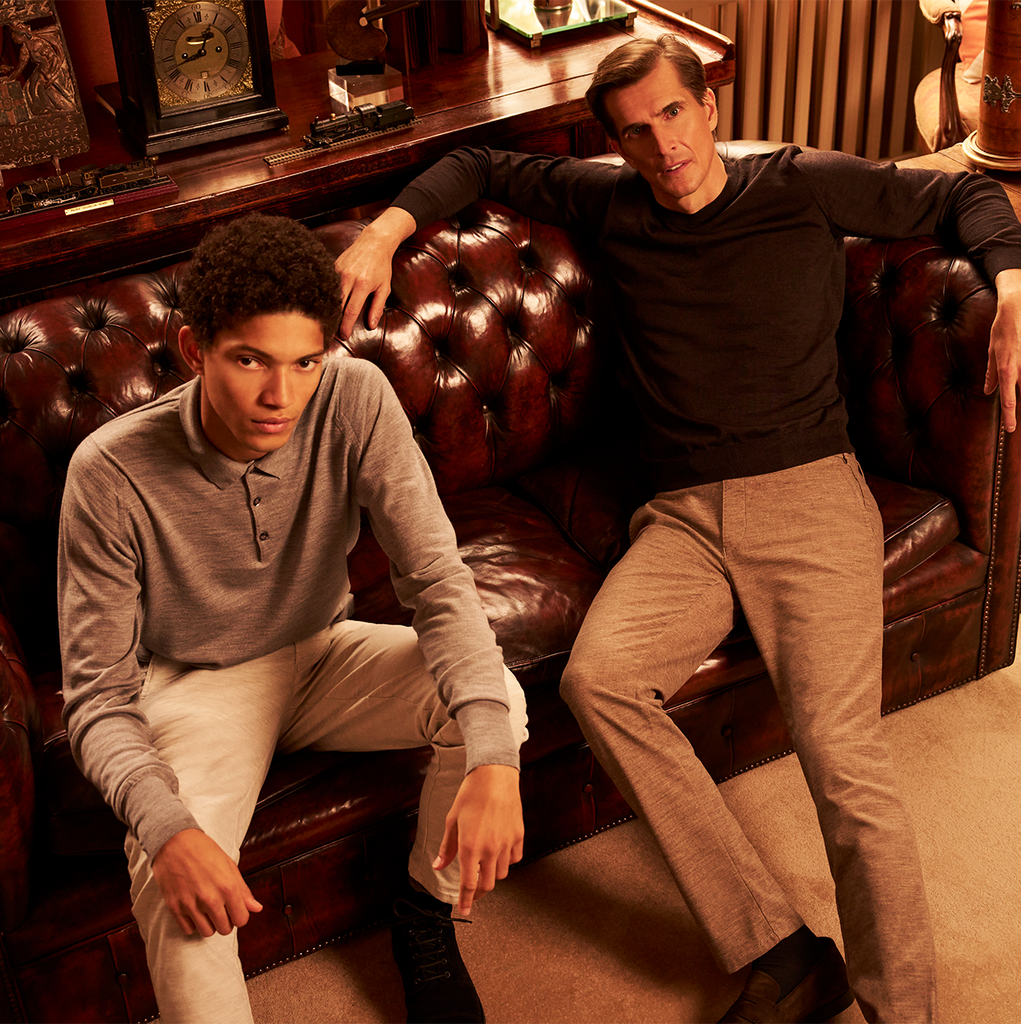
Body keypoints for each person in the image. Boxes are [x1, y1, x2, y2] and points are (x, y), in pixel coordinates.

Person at [333, 33, 1021, 1024]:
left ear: (706, 108)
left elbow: (968, 194)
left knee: (841, 759)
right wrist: (382, 232)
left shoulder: (797, 184)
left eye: (671, 115)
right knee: (596, 681)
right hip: (681, 518)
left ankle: (900, 1008)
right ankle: (780, 951)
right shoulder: (608, 200)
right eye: (632, 132)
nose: (660, 145)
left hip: (806, 491)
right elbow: (478, 161)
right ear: (612, 145)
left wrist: (1007, 284)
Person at [58, 212, 528, 1024]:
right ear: (195, 347)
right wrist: (166, 829)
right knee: (179, 899)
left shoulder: (354, 396)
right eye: (251, 361)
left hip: (323, 653)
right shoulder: (108, 472)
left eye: (305, 362)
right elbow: (97, 699)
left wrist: (494, 759)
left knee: (499, 710)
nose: (282, 397)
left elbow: (438, 582)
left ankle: (424, 911)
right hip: (196, 688)